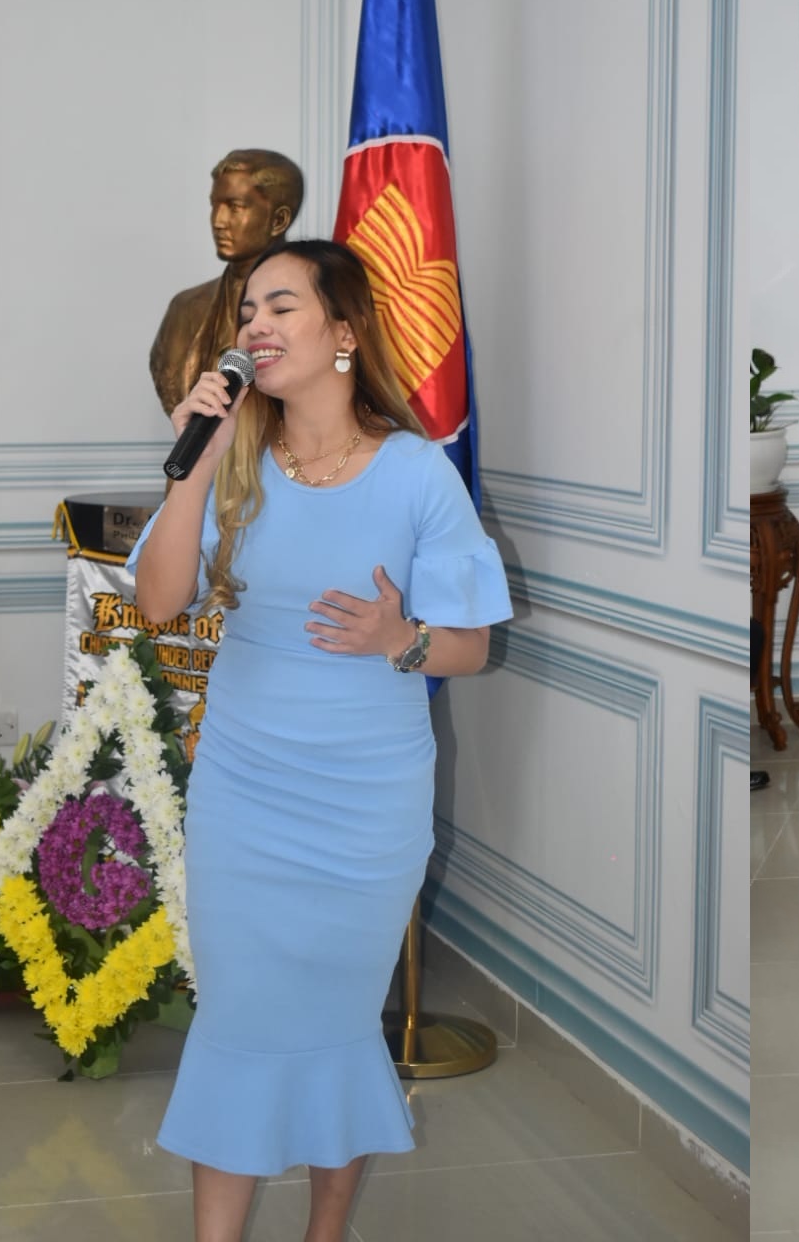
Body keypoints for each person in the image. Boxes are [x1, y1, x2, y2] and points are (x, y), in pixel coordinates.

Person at [129, 237, 512, 1240]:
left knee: (337, 1022)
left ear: (343, 332)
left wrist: (398, 638)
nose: (254, 325)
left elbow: (470, 647)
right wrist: (193, 463)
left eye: (281, 305)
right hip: (245, 792)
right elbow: (159, 603)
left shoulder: (417, 473)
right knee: (239, 1018)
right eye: (247, 310)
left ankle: (324, 1232)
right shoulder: (231, 461)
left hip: (365, 807)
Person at [148, 149, 304, 416]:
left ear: (278, 221)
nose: (218, 221)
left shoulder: (315, 307)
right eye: (214, 205)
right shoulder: (184, 310)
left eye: (235, 207)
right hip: (203, 442)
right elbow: (174, 390)